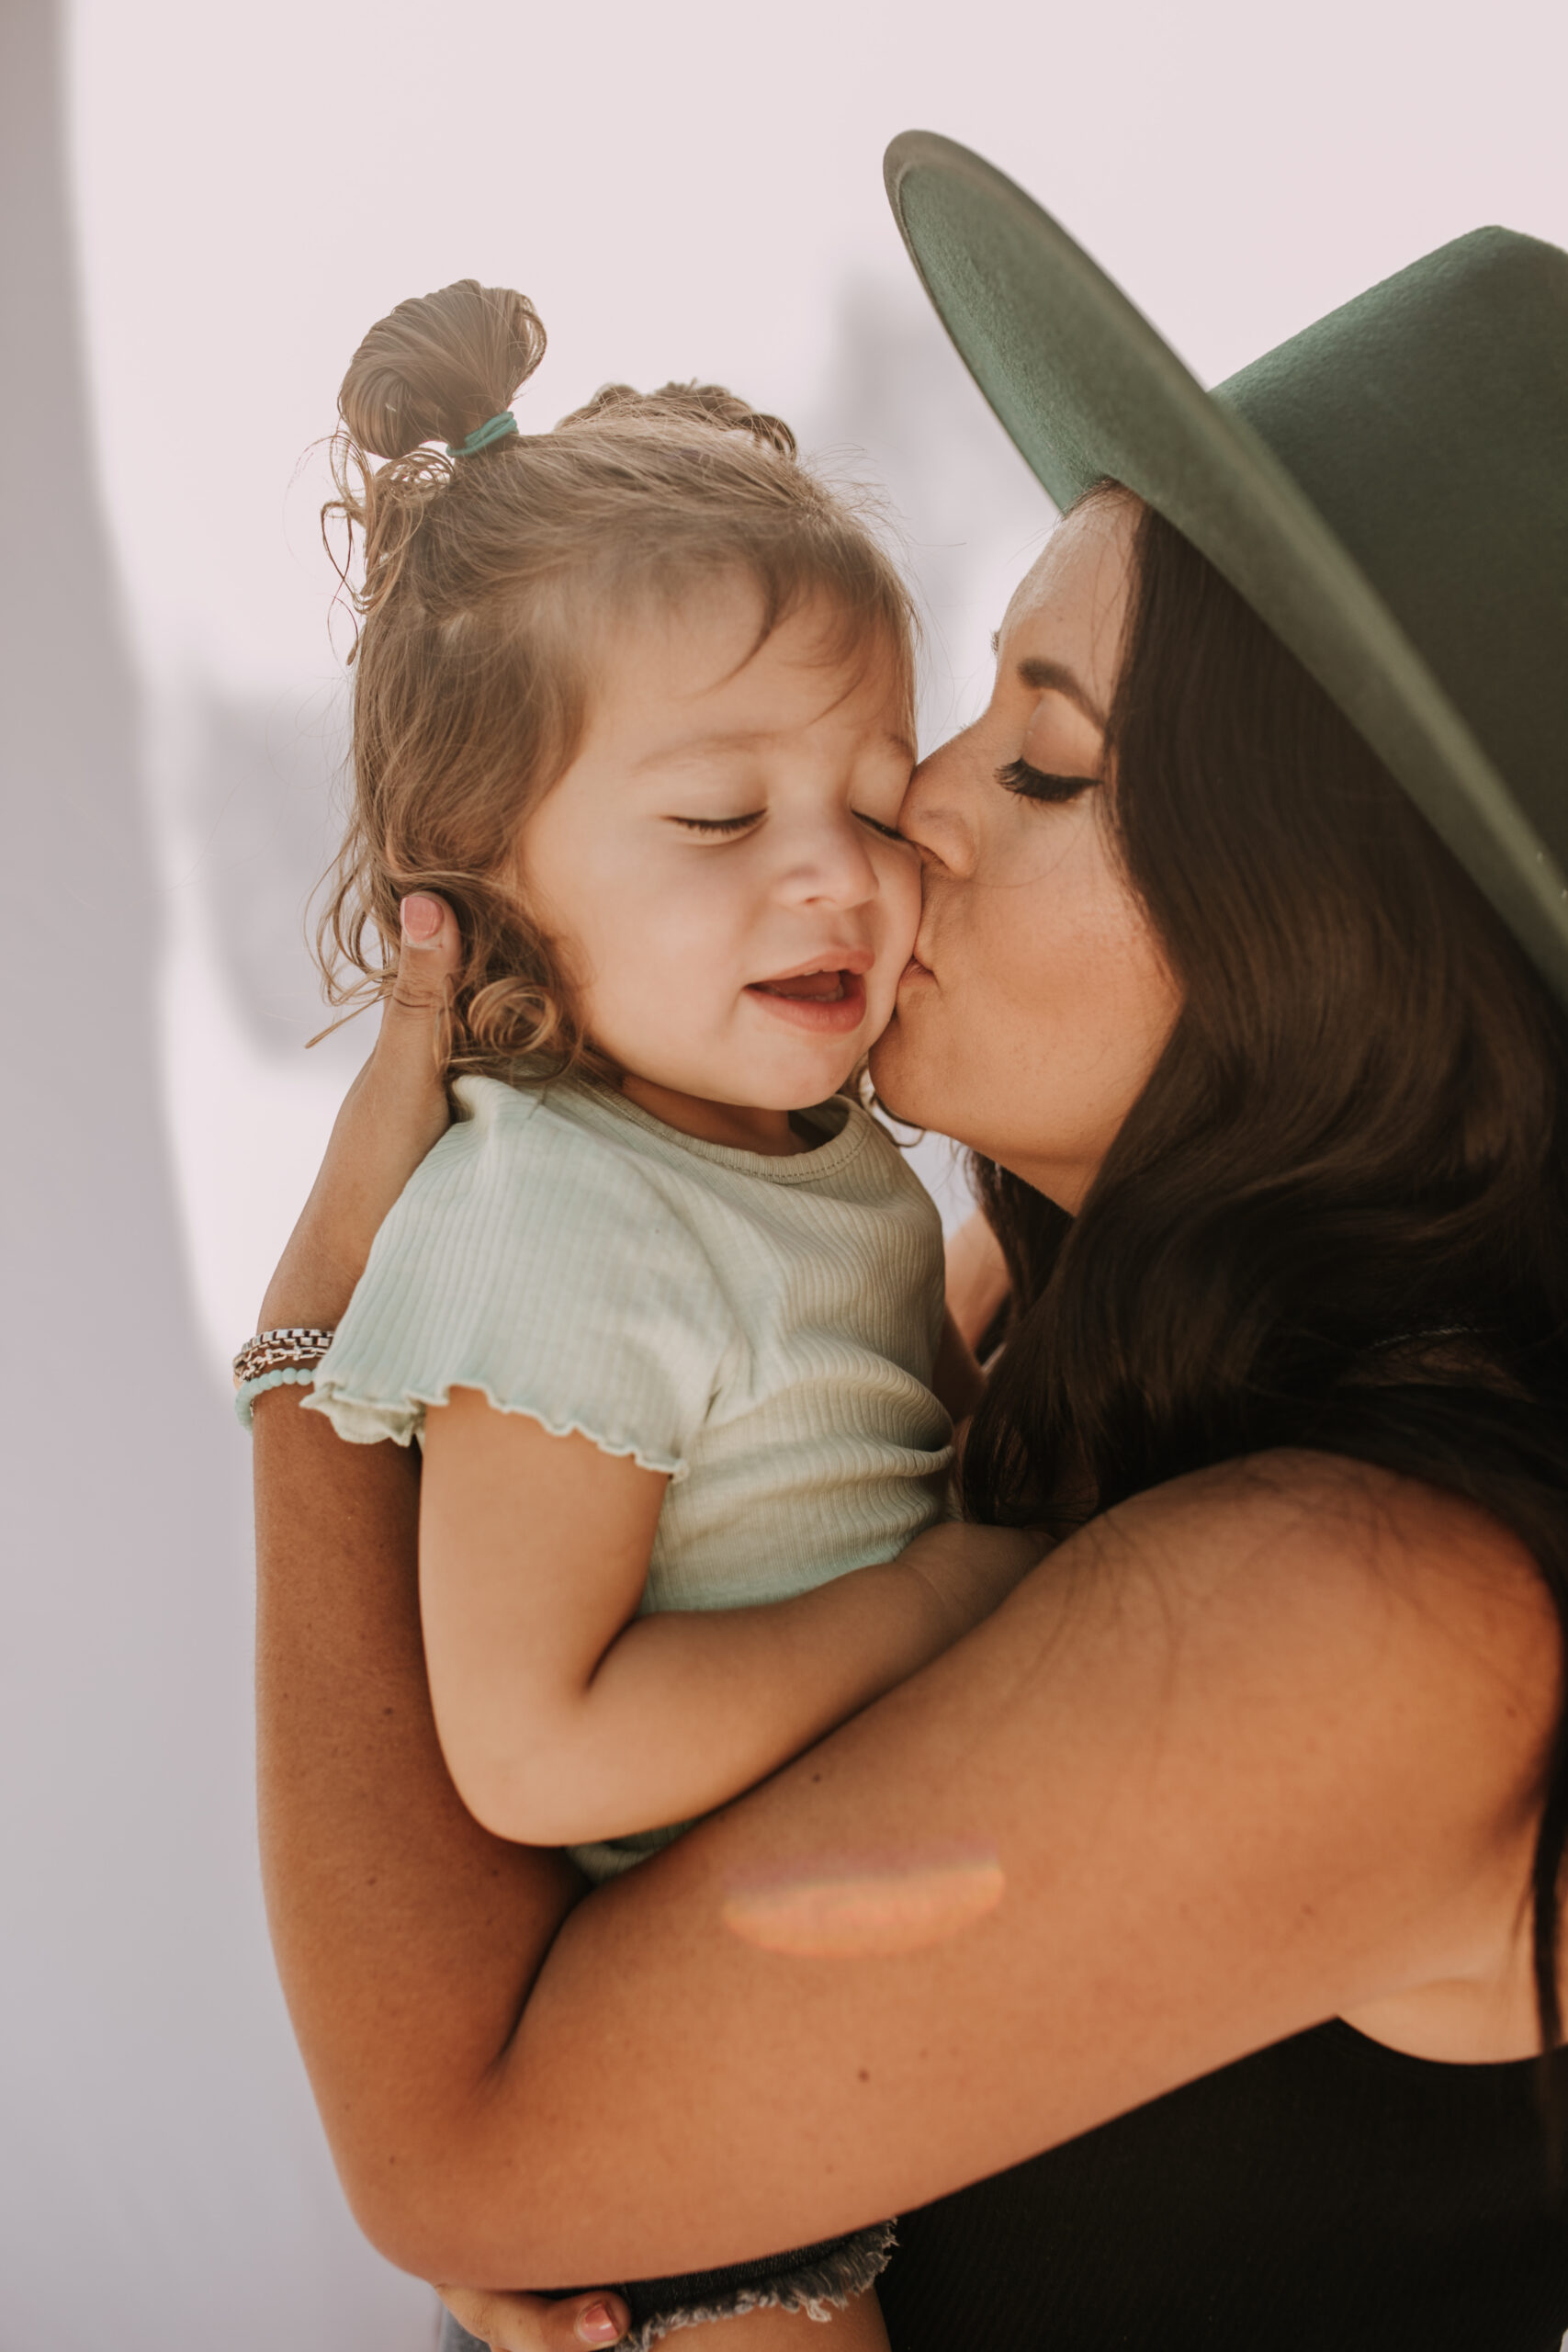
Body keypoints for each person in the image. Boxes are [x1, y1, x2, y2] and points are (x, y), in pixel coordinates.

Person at [251, 137, 1568, 2350]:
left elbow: (454, 2140)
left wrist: (315, 1363)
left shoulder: (1381, 1609)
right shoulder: (1006, 1295)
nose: (906, 816)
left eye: (1039, 770)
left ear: (1328, 948)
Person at [254, 275, 1041, 2349]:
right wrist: (936, 1607)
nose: (836, 876)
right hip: (690, 2170)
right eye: (717, 818)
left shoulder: (807, 1152)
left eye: (875, 798)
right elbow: (529, 1746)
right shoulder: (566, 1222)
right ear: (489, 871)